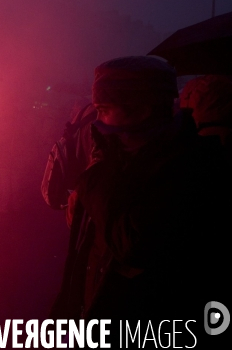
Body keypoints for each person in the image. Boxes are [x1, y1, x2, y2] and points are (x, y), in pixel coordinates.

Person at [50, 56, 229, 340]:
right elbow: (86, 255)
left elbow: (134, 242)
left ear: (142, 111)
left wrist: (94, 177)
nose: (98, 123)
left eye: (105, 110)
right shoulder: (120, 158)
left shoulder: (190, 167)